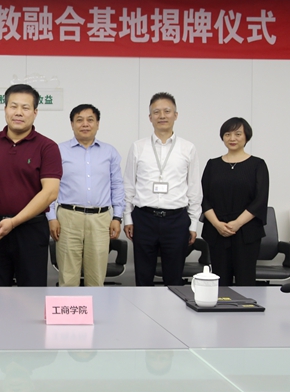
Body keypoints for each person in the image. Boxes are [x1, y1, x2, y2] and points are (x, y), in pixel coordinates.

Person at [0, 84, 62, 287]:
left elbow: (50, 193)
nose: (18, 112)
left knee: (31, 294)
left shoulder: (47, 147)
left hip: (30, 230)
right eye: (13, 106)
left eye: (25, 107)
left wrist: (14, 222)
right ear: (5, 109)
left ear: (35, 112)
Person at [123, 92, 202, 286]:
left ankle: (173, 307)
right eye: (156, 112)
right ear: (150, 117)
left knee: (174, 278)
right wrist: (128, 218)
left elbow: (194, 188)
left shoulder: (188, 148)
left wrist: (193, 223)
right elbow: (129, 185)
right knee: (143, 277)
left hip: (176, 220)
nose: (162, 116)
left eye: (167, 111)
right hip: (144, 218)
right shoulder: (138, 147)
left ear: (176, 115)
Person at [48, 104, 125, 287]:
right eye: (79, 120)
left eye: (90, 120)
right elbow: (49, 186)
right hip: (68, 217)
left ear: (97, 124)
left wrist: (117, 217)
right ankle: (69, 307)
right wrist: (51, 217)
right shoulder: (58, 151)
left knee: (96, 276)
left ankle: (94, 307)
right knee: (68, 276)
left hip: (100, 219)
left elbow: (117, 185)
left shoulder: (109, 152)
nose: (85, 124)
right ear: (72, 124)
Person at [201, 117, 269, 286]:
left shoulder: (257, 165)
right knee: (219, 282)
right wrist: (217, 224)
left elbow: (260, 200)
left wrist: (237, 223)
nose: (232, 138)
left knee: (245, 281)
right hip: (217, 230)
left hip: (247, 232)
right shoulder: (212, 165)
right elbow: (202, 197)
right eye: (227, 134)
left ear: (246, 136)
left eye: (238, 134)